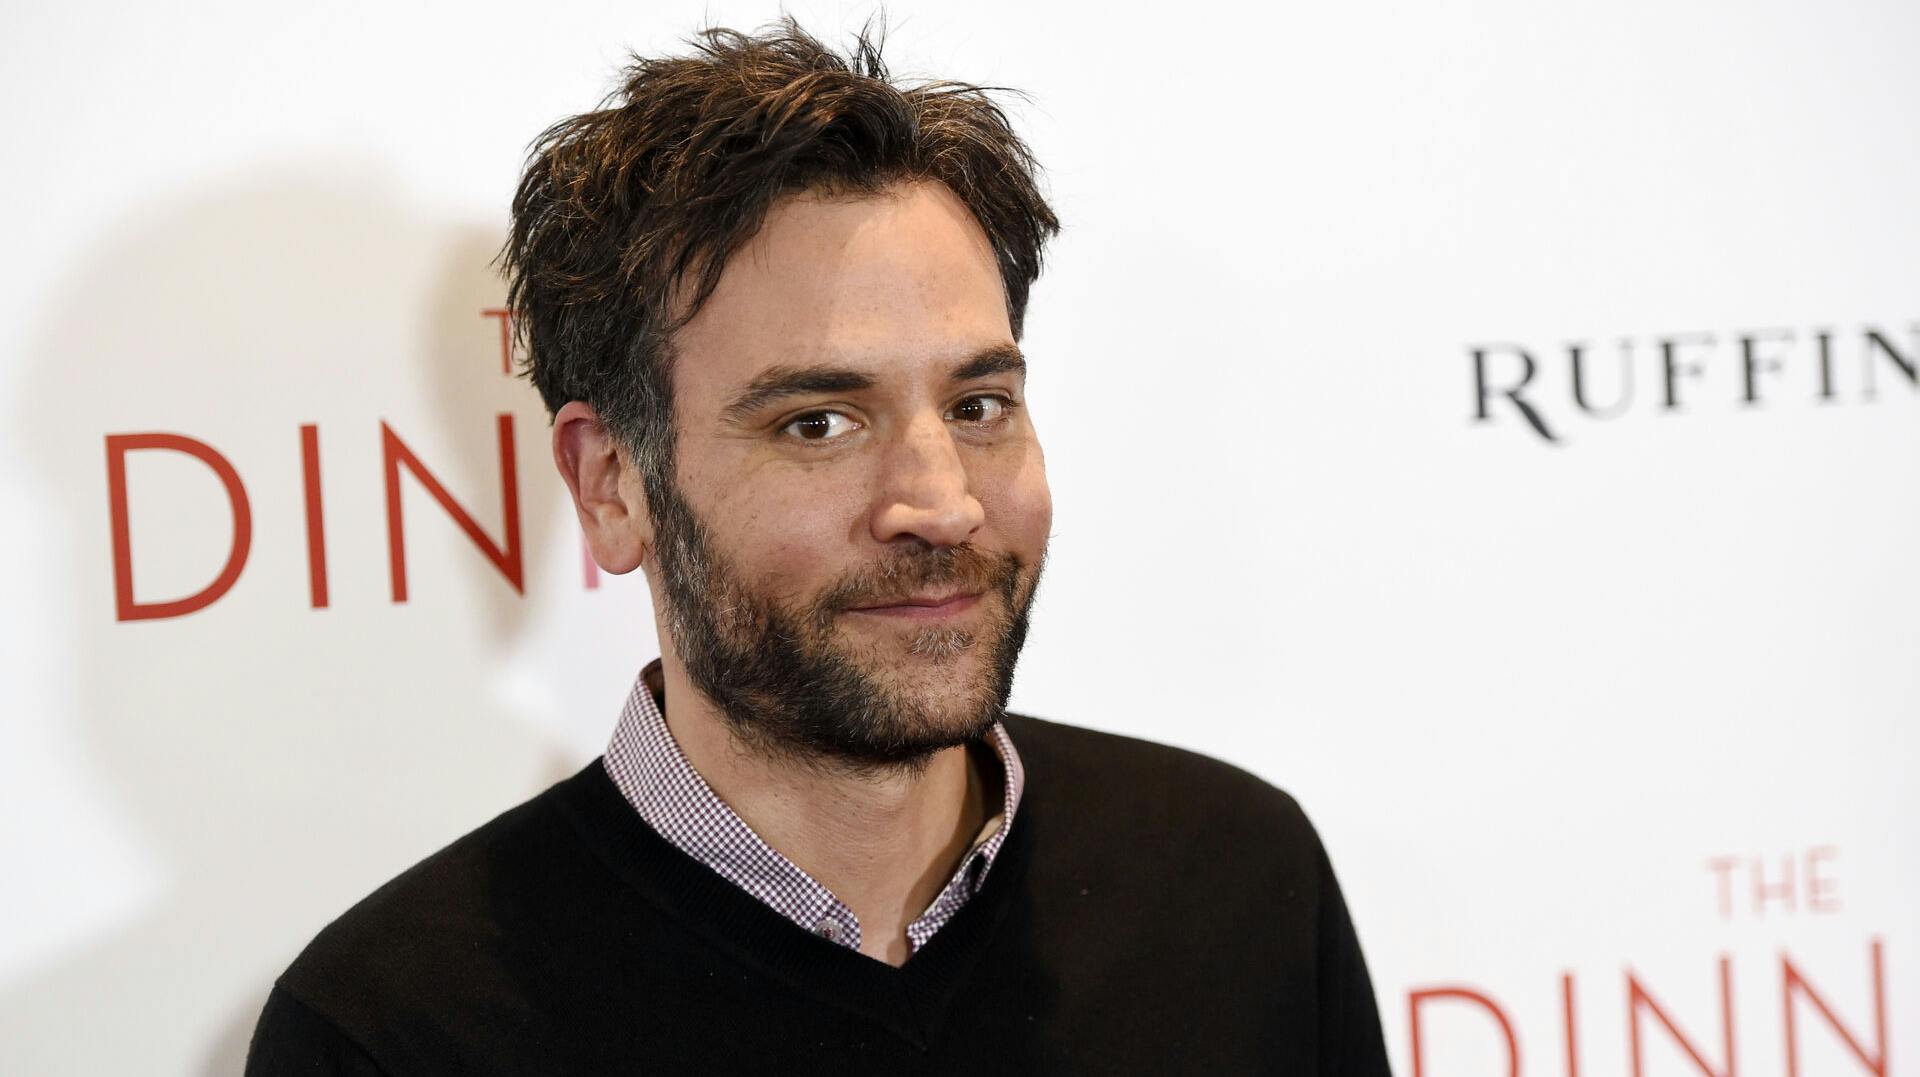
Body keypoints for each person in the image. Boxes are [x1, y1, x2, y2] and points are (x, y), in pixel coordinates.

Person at [246, 20, 1391, 1075]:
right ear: (611, 484)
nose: (939, 505)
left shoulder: (1234, 882)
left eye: (979, 404)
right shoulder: (394, 1033)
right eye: (818, 423)